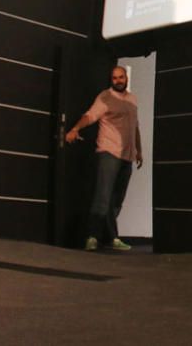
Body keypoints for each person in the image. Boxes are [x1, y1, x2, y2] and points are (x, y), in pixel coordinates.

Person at [65, 65, 142, 252]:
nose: (118, 81)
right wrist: (75, 128)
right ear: (111, 80)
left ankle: (111, 238)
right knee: (103, 196)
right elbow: (90, 115)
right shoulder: (105, 97)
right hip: (109, 151)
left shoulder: (132, 100)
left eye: (121, 77)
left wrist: (139, 150)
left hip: (127, 155)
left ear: (126, 78)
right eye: (115, 78)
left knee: (117, 199)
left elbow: (135, 126)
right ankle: (92, 237)